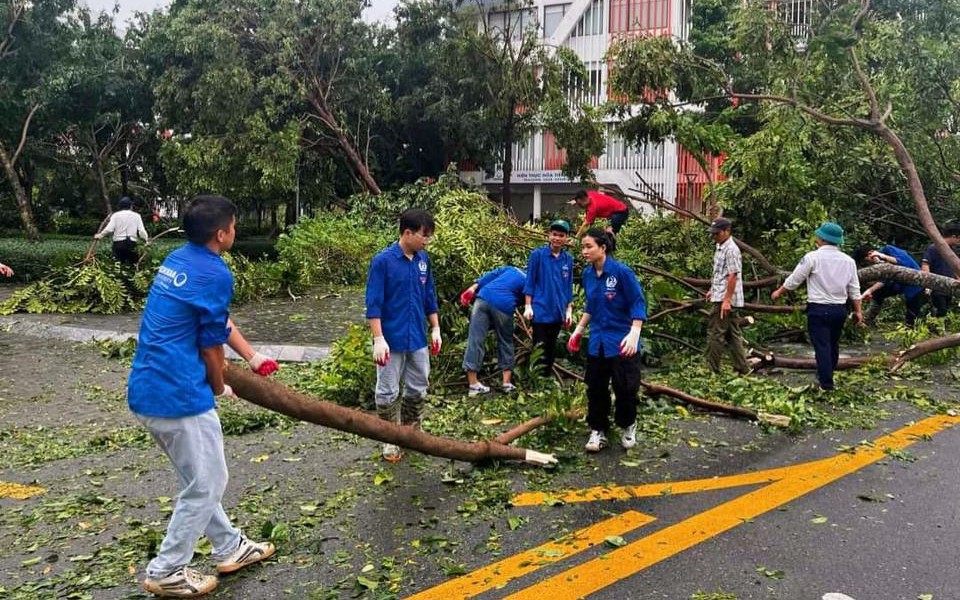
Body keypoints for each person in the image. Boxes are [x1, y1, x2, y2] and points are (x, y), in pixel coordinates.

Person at [129, 195, 277, 598]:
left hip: (147, 387)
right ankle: (167, 569)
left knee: (199, 478)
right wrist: (218, 385)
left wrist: (252, 355)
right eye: (233, 225)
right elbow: (211, 345)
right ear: (221, 234)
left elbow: (215, 321)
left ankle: (230, 546)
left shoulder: (179, 259)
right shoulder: (214, 273)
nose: (235, 231)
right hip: (177, 393)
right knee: (210, 481)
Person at [365, 208, 441, 463]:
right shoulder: (383, 261)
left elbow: (429, 295)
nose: (426, 240)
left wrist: (435, 328)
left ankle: (410, 432)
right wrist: (378, 338)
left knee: (419, 386)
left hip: (417, 337)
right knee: (386, 391)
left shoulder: (423, 261)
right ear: (407, 233)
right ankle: (390, 438)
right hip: (391, 339)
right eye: (424, 235)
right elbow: (373, 303)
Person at [567, 229, 647, 452]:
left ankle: (628, 425)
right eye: (582, 247)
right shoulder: (588, 274)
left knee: (625, 388)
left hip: (622, 342)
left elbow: (637, 302)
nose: (584, 251)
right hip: (598, 341)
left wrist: (634, 333)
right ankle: (598, 430)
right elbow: (591, 305)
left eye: (589, 246)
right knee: (596, 388)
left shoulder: (621, 272)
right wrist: (579, 329)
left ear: (603, 248)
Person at [771, 222, 863, 392]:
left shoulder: (812, 258)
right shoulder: (849, 261)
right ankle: (826, 374)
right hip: (839, 310)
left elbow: (794, 279)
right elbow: (854, 290)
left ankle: (826, 384)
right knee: (833, 344)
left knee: (821, 346)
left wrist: (779, 292)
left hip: (818, 308)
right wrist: (858, 311)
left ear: (821, 239)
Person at [459, 266, 526, 395]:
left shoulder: (511, 269)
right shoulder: (532, 280)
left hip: (482, 297)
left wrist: (472, 288)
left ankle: (473, 384)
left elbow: (488, 277)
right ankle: (506, 383)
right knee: (505, 341)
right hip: (504, 305)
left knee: (475, 339)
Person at [523, 219, 574, 377]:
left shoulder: (568, 260)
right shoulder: (537, 255)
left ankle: (545, 379)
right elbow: (530, 281)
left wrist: (569, 311)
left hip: (557, 311)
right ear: (548, 235)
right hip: (540, 310)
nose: (557, 238)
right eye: (554, 234)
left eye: (561, 235)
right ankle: (536, 379)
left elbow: (568, 286)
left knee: (551, 347)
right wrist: (528, 306)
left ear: (566, 238)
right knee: (540, 347)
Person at [703, 217, 750, 375]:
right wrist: (712, 289)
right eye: (713, 233)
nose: (714, 236)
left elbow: (732, 276)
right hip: (720, 294)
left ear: (726, 232)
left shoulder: (731, 249)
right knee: (733, 333)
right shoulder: (720, 246)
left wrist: (726, 300)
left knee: (716, 332)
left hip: (724, 299)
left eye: (717, 233)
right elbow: (719, 274)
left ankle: (712, 369)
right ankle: (742, 367)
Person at [853, 243, 923, 326]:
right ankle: (868, 319)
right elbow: (884, 280)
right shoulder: (880, 262)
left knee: (912, 312)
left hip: (914, 283)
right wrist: (870, 290)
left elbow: (903, 262)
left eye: (866, 260)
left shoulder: (889, 249)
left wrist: (882, 256)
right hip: (899, 283)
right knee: (878, 293)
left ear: (870, 254)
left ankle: (911, 326)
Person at [95, 196, 150, 265]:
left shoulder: (116, 215)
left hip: (118, 244)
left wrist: (100, 235)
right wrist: (146, 240)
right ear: (131, 206)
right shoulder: (137, 216)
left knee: (118, 265)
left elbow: (109, 229)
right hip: (131, 244)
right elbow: (141, 231)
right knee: (133, 266)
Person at [920, 224, 960, 318]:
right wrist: (927, 283)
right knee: (940, 309)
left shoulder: (952, 250)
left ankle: (940, 328)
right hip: (936, 285)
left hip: (949, 285)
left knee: (945, 309)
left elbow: (955, 267)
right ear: (953, 236)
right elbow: (925, 264)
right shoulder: (934, 248)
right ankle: (936, 329)